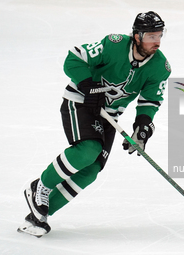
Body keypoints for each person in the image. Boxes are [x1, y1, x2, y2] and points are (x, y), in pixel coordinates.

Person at [17, 11, 171, 237]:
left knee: (91, 171)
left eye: (159, 36)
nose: (156, 42)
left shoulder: (160, 67)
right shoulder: (114, 45)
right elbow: (74, 58)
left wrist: (143, 127)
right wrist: (88, 85)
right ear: (137, 36)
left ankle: (38, 216)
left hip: (109, 116)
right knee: (88, 150)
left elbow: (150, 100)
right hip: (81, 103)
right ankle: (39, 187)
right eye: (151, 36)